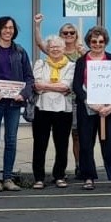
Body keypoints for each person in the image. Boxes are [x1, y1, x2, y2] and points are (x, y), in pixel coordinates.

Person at [0, 16, 34, 192]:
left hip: (13, 104)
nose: (8, 31)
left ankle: (8, 178)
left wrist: (23, 94)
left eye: (11, 28)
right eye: (4, 27)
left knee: (11, 141)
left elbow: (29, 77)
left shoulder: (20, 51)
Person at [72, 26, 111, 190]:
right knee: (86, 143)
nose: (97, 44)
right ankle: (88, 177)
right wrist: (89, 102)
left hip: (110, 108)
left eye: (101, 41)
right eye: (94, 41)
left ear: (105, 42)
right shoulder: (82, 61)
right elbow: (77, 86)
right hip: (88, 108)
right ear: (89, 42)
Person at [34, 14, 86, 171]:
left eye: (72, 32)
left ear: (76, 35)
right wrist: (37, 25)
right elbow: (40, 43)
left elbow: (88, 68)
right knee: (45, 141)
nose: (69, 35)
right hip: (48, 104)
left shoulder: (80, 52)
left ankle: (78, 165)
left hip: (74, 100)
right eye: (65, 32)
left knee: (75, 135)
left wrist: (46, 86)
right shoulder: (51, 50)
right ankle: (43, 175)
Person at [30, 34, 75, 189]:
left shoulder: (71, 66)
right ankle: (39, 178)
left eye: (58, 47)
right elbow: (37, 85)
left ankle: (59, 176)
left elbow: (66, 86)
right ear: (47, 49)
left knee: (62, 144)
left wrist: (46, 85)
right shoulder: (40, 64)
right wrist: (57, 87)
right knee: (39, 145)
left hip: (63, 110)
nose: (55, 49)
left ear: (64, 48)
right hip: (42, 108)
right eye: (52, 47)